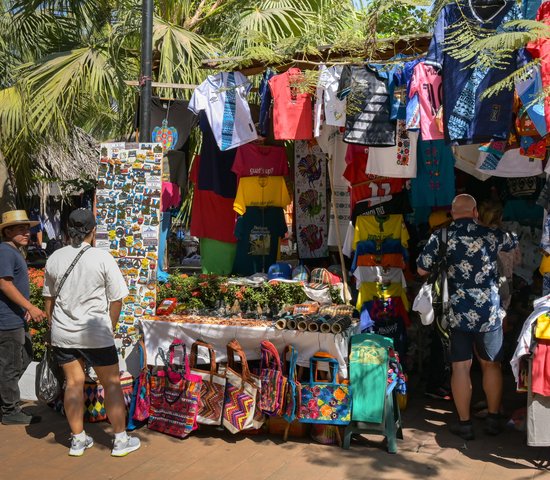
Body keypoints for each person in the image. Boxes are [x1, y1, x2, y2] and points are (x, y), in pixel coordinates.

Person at [417, 194, 518, 440]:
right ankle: (493, 419)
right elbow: (512, 242)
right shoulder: (491, 235)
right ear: (475, 212)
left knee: (460, 367)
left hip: (457, 311)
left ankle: (464, 424)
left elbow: (421, 268)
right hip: (489, 313)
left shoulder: (441, 236)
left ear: (451, 214)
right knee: (491, 364)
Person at [43, 209, 140, 457]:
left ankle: (77, 439)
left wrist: (52, 329)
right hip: (96, 332)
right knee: (111, 384)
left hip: (64, 333)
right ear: (93, 231)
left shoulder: (55, 257)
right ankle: (120, 440)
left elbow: (49, 299)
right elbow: (116, 298)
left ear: (67, 229)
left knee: (73, 384)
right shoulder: (102, 257)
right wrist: (111, 325)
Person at [0, 210, 45, 425]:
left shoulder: (13, 251)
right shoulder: (6, 251)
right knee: (10, 366)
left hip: (15, 317)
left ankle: (6, 402)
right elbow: (4, 284)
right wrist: (30, 306)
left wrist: (24, 308)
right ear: (7, 231)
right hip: (7, 320)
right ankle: (10, 411)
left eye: (27, 228)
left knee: (23, 356)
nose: (27, 232)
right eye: (20, 228)